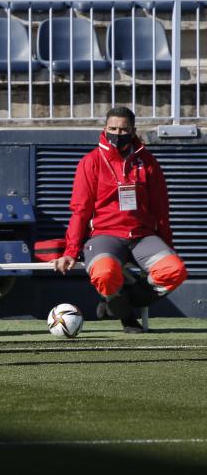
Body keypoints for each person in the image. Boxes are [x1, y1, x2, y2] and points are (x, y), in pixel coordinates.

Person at [52, 106, 188, 333]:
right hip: (105, 235)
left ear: (133, 131)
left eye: (124, 129)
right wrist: (71, 250)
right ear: (105, 129)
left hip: (142, 235)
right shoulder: (91, 162)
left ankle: (116, 305)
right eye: (113, 128)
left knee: (175, 269)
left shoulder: (148, 162)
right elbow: (80, 211)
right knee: (104, 273)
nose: (118, 133)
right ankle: (126, 317)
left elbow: (161, 210)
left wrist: (168, 246)